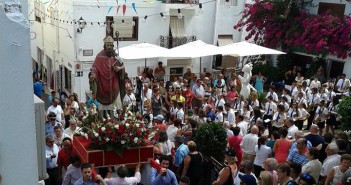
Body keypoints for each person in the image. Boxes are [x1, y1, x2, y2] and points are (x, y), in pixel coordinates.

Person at [90, 36, 125, 115]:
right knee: (103, 114)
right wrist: (93, 74)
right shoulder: (99, 56)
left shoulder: (116, 56)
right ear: (104, 46)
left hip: (114, 88)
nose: (109, 47)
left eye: (110, 45)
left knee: (117, 111)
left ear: (113, 46)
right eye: (107, 45)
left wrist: (120, 69)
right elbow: (95, 67)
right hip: (102, 88)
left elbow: (122, 66)